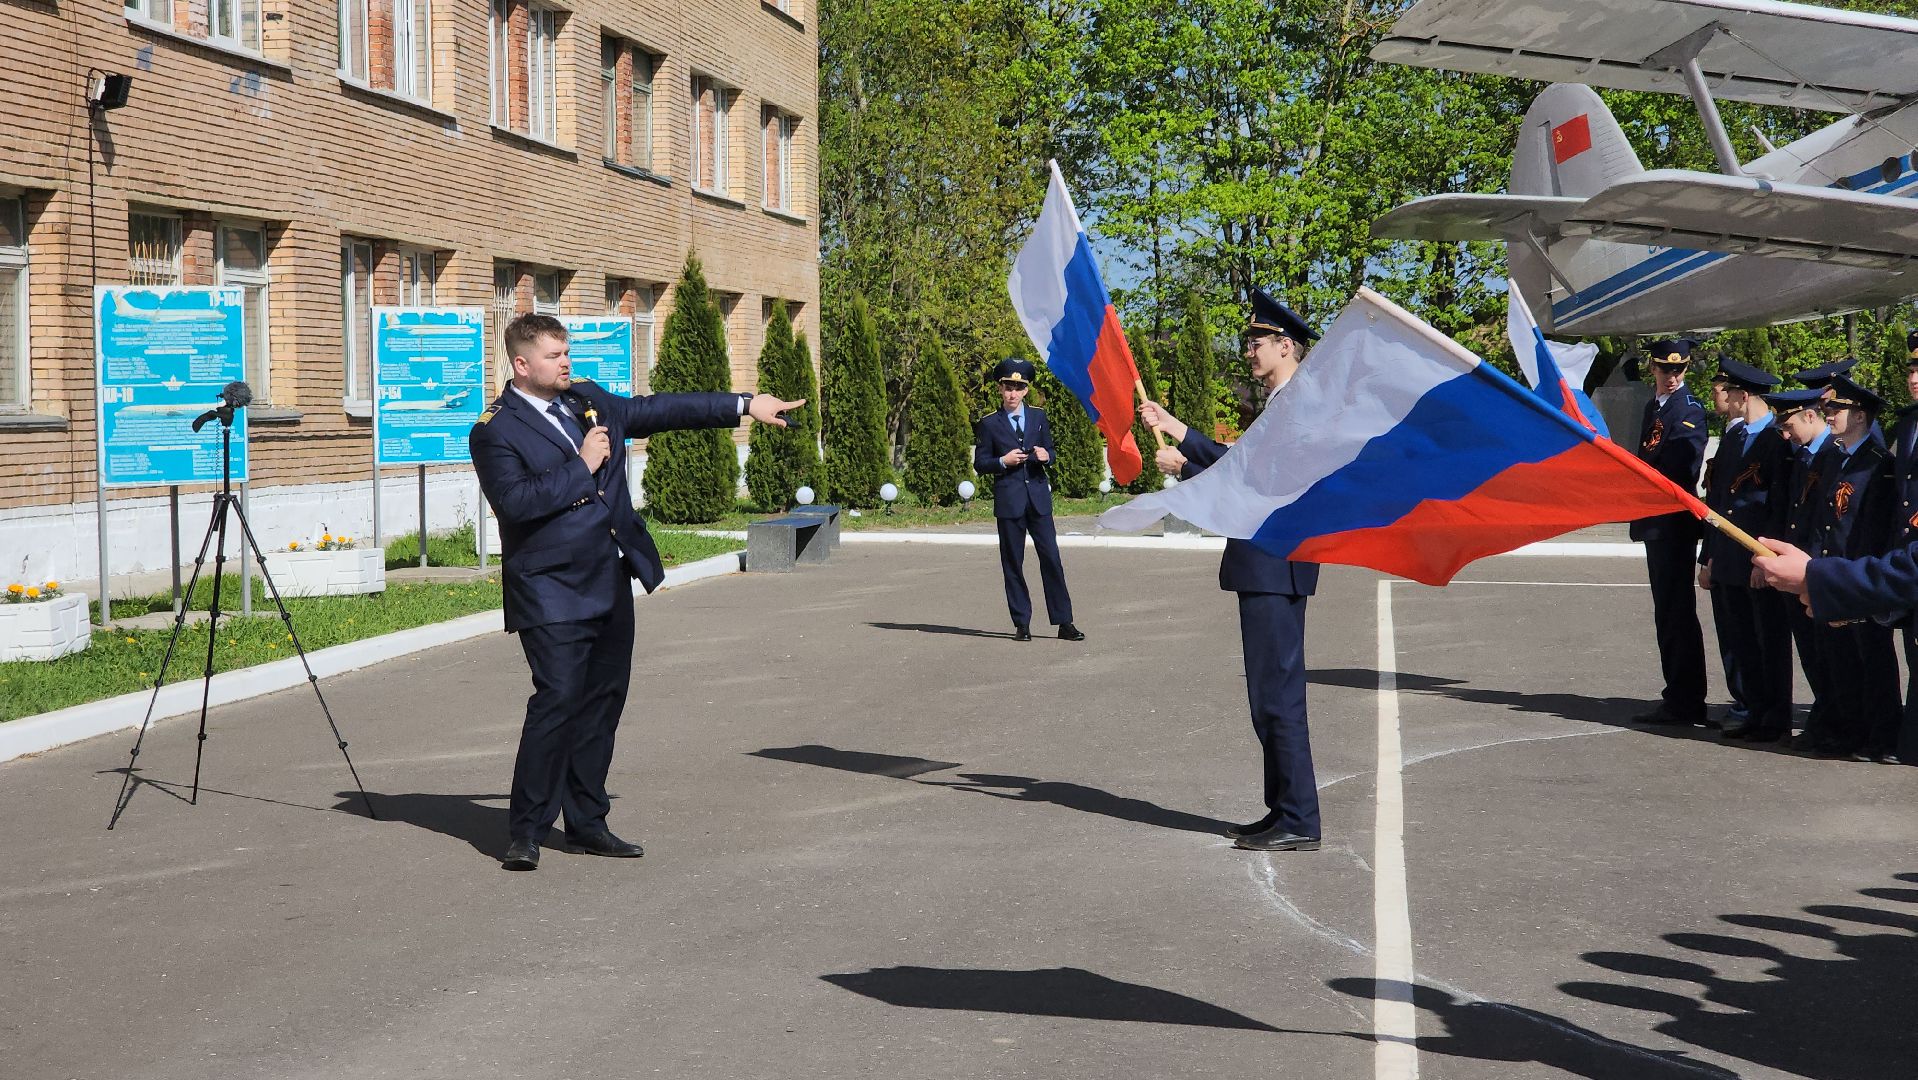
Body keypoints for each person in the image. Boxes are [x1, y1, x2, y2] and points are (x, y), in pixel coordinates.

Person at [470, 313, 801, 871]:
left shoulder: (586, 400)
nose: (566, 363)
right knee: (556, 703)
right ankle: (526, 830)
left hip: (605, 578)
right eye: (553, 356)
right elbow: (517, 504)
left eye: (566, 352)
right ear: (520, 365)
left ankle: (586, 822)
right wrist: (582, 465)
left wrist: (744, 405)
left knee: (602, 704)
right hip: (549, 589)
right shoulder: (494, 429)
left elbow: (657, 410)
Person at [1139, 287, 1321, 853]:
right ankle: (1281, 810)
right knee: (1266, 697)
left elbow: (1255, 475)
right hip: (1265, 565)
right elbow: (1246, 463)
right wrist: (1177, 429)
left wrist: (1185, 455)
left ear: (1285, 345)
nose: (1248, 350)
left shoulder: (1299, 403)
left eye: (1256, 340)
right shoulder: (1280, 403)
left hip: (1276, 564)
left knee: (1278, 697)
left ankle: (1299, 819)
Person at [1804, 375, 1899, 760]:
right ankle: (1851, 731)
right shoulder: (1836, 458)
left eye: (1836, 410)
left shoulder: (1879, 465)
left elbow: (1875, 527)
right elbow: (1824, 520)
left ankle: (1881, 737)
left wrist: (1864, 581)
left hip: (1860, 576)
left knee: (1872, 661)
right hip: (1835, 573)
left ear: (1859, 416)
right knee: (1840, 661)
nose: (1829, 415)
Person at [1699, 358, 1793, 742]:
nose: (1728, 399)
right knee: (1738, 638)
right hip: (1727, 555)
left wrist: (1765, 559)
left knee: (1767, 640)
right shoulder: (1736, 438)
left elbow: (1777, 504)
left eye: (1731, 392)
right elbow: (1719, 504)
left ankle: (1774, 717)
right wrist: (1708, 556)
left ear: (1744, 394)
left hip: (1757, 555)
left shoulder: (1774, 439)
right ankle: (1753, 709)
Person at [1629, 339, 1711, 728]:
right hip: (1654, 520)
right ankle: (1677, 693)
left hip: (1672, 522)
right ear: (1653, 368)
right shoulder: (1655, 407)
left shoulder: (1689, 410)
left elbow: (1682, 467)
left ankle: (1685, 699)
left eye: (1679, 370)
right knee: (1667, 612)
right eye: (1666, 370)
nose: (1673, 377)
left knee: (1676, 612)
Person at [972, 357, 1083, 642]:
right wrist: (1002, 460)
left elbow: (1050, 450)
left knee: (1052, 560)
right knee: (1013, 563)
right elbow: (980, 463)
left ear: (1026, 390)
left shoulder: (1038, 417)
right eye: (1007, 387)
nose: (1012, 393)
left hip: (1037, 499)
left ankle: (1064, 622)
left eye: (1018, 388)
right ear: (1000, 388)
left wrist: (1047, 457)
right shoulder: (989, 423)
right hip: (1009, 502)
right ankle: (1022, 623)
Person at [1698, 362, 1752, 734]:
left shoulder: (1749, 438)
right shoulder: (1730, 433)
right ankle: (1744, 700)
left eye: (1723, 389)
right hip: (1721, 548)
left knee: (1744, 634)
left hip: (1739, 553)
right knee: (1731, 632)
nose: (1717, 394)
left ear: (1740, 396)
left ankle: (1750, 702)